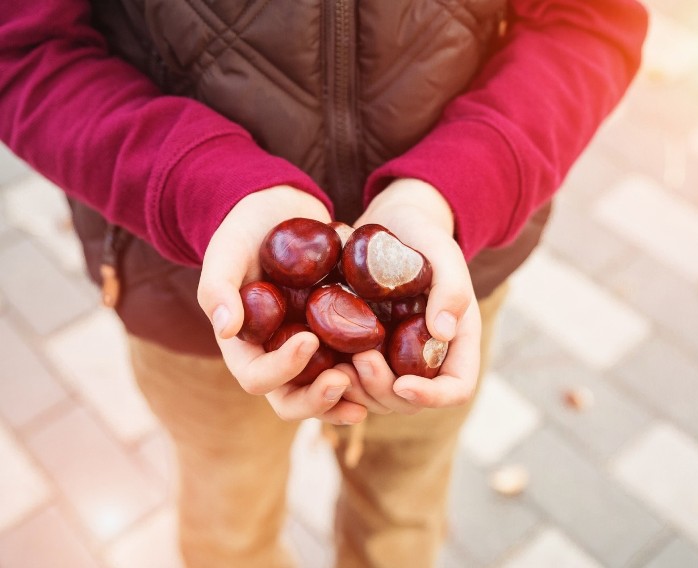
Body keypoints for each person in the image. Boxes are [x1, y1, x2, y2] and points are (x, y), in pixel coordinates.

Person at [0, 1, 647, 566]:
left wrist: (453, 185)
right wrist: (206, 185)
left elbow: (589, 19)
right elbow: (22, 49)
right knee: (230, 534)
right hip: (200, 298)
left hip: (439, 295)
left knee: (402, 520)